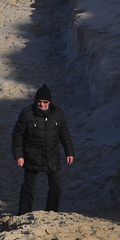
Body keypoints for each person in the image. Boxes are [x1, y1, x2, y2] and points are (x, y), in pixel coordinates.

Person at [12, 85, 75, 214]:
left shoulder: (57, 113)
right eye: (39, 101)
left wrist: (69, 152)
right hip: (32, 155)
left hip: (52, 156)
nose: (41, 104)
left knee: (56, 186)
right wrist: (19, 156)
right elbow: (17, 135)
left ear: (49, 102)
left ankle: (51, 212)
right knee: (28, 187)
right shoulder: (27, 113)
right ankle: (23, 213)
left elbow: (64, 134)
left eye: (44, 102)